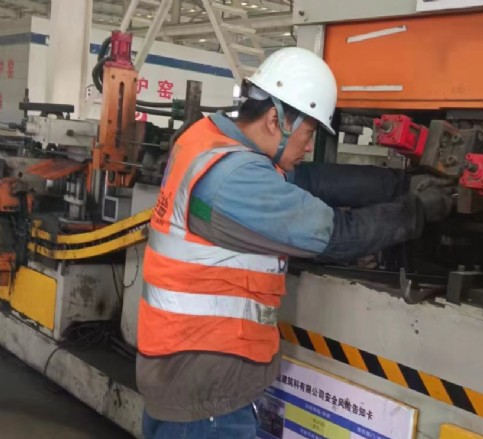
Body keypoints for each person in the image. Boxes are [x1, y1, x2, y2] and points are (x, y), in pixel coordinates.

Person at [136, 47, 454, 439]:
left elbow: (308, 180)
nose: (307, 147)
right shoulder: (235, 181)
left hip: (182, 369)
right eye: (309, 133)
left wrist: (400, 185)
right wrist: (417, 211)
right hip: (205, 392)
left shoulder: (208, 142)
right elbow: (337, 235)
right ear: (276, 120)